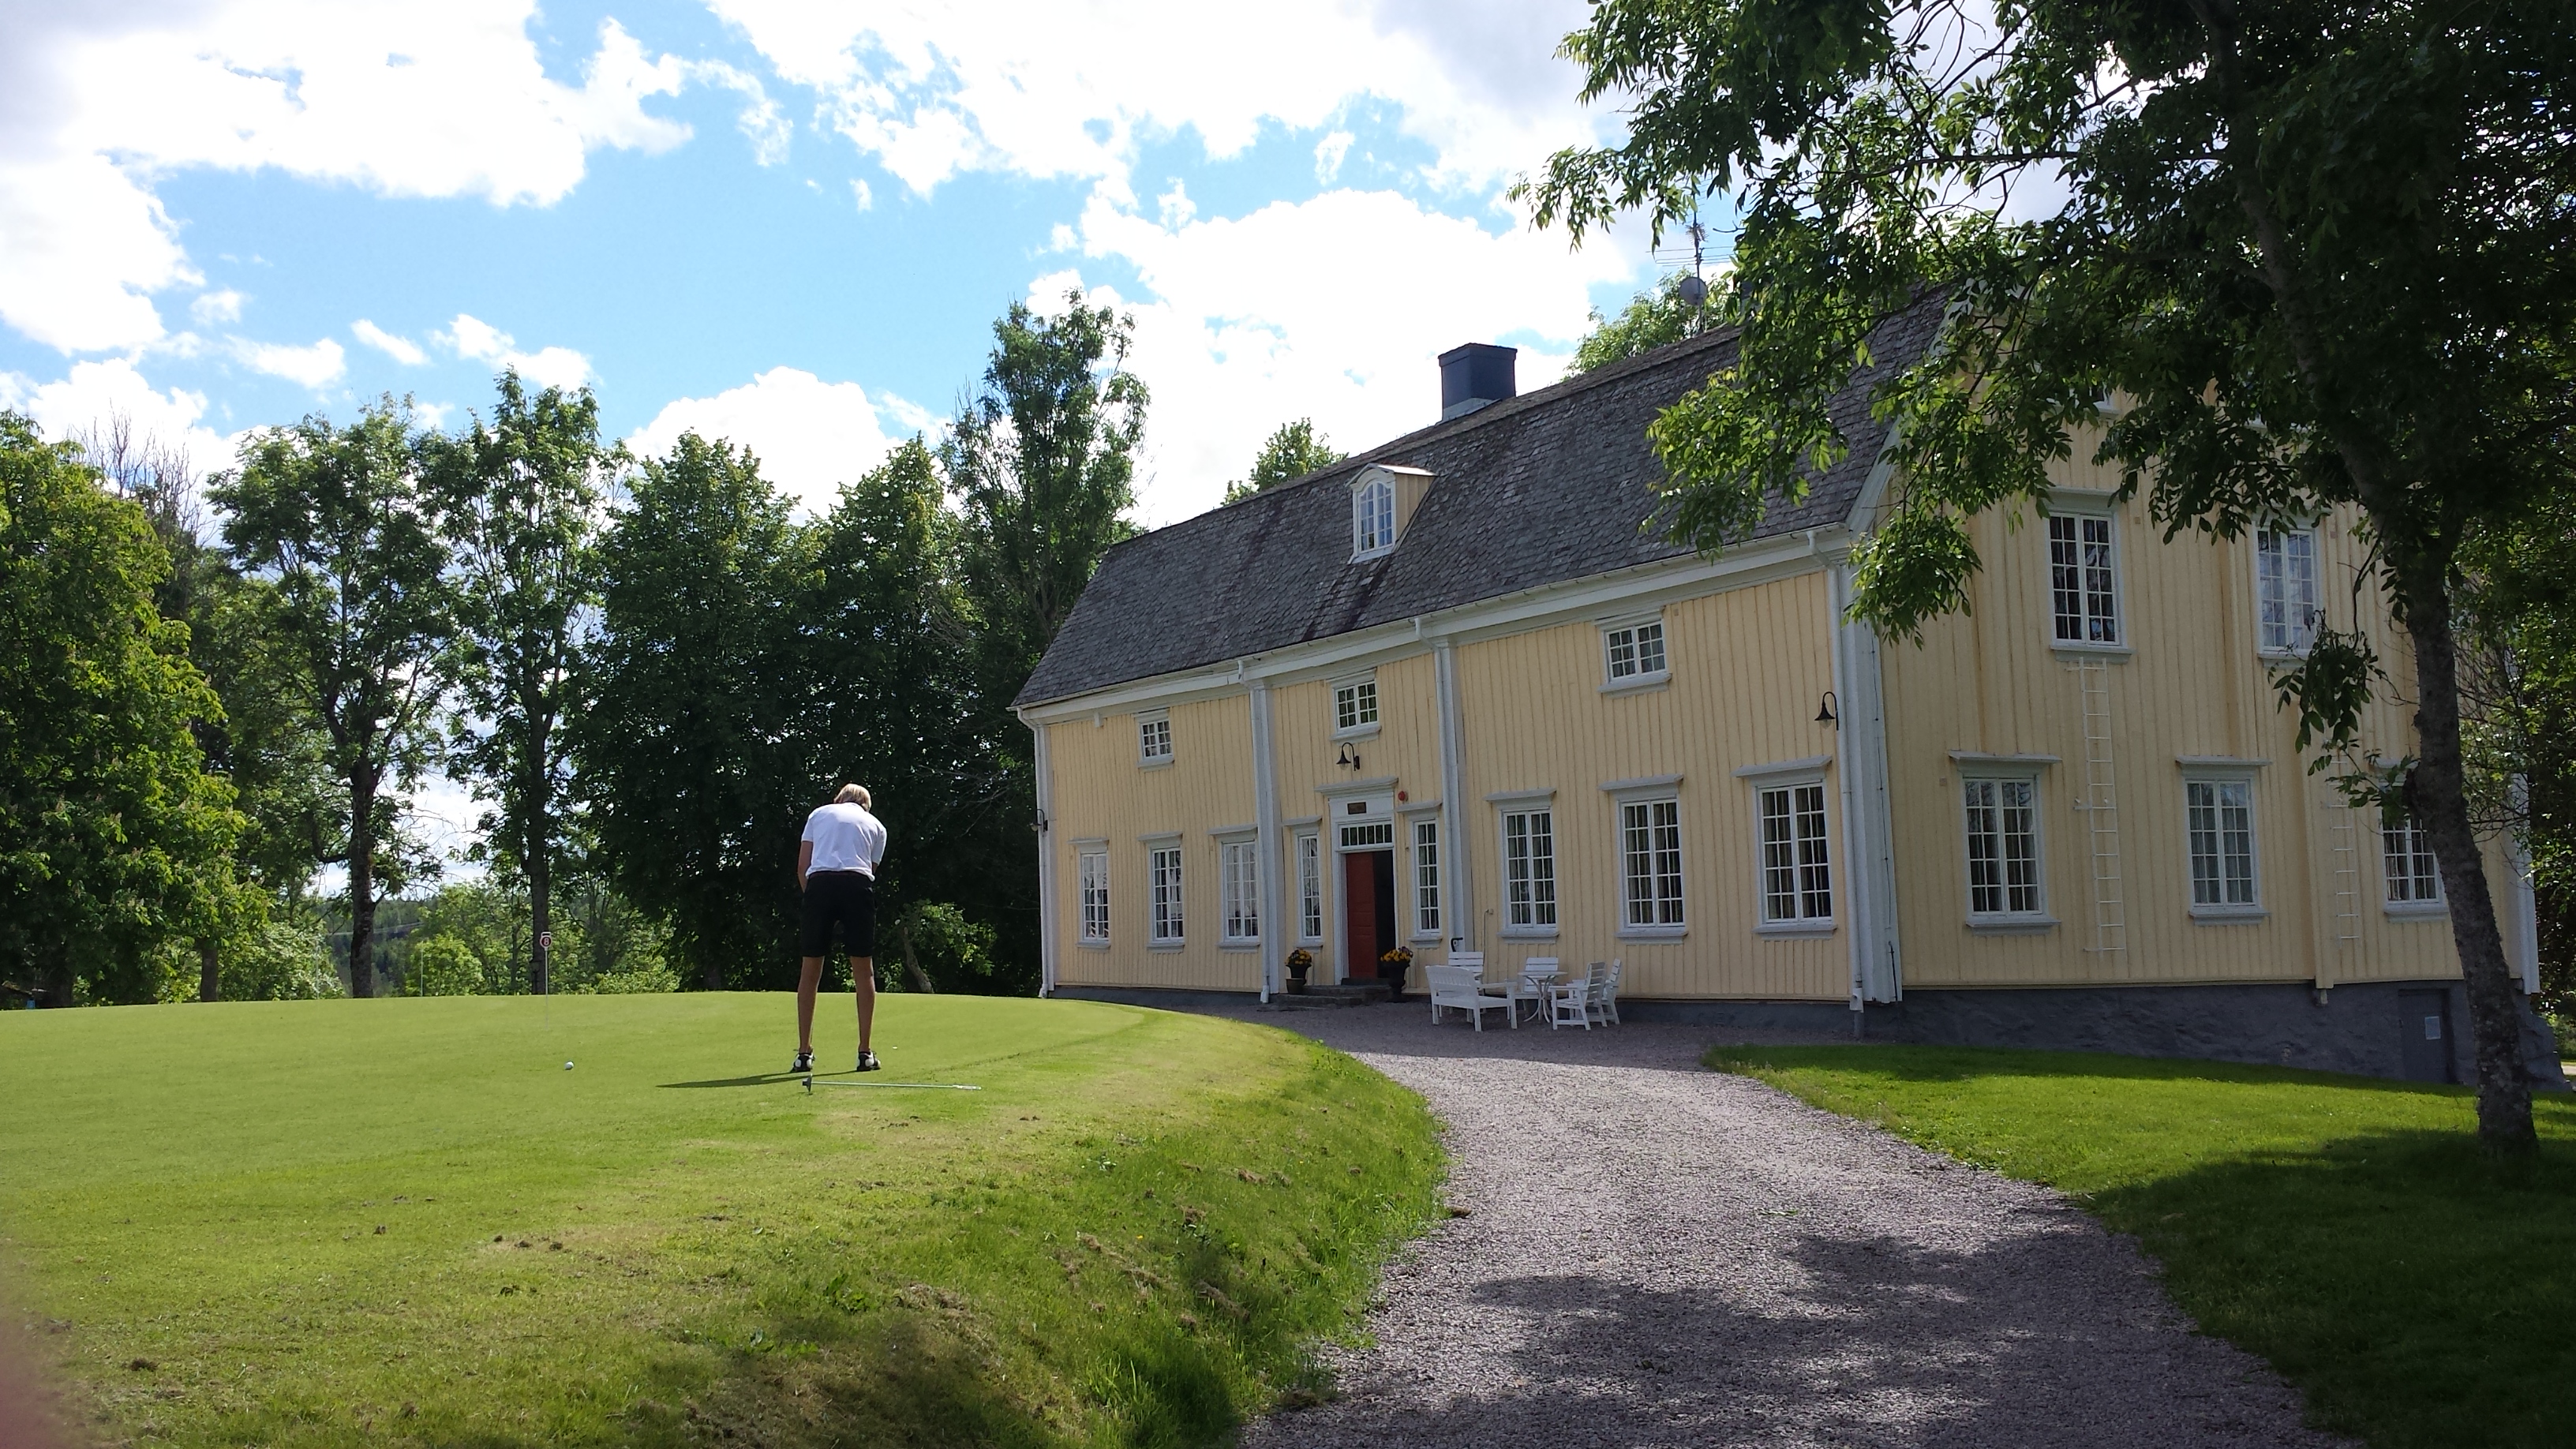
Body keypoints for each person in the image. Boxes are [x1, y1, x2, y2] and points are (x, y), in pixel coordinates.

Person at [796, 784, 887, 1073]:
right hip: (857, 886)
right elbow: (869, 871)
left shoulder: (818, 814)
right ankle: (865, 1053)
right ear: (865, 806)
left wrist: (813, 900)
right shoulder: (877, 826)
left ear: (839, 799)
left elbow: (802, 867)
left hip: (820, 884)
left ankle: (804, 1054)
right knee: (863, 969)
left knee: (810, 969)